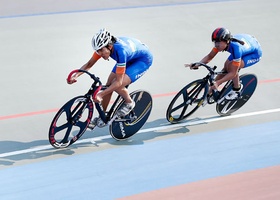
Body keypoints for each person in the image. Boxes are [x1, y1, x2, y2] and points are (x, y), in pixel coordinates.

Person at [67, 28, 153, 127]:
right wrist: (76, 75)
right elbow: (89, 64)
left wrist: (101, 94)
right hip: (130, 57)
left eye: (101, 51)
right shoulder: (103, 47)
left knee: (115, 84)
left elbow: (118, 82)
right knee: (108, 85)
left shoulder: (121, 52)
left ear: (110, 46)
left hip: (142, 60)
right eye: (97, 51)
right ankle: (103, 116)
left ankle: (129, 102)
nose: (100, 54)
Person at [185, 27, 262, 100]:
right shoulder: (222, 44)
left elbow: (233, 73)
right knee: (226, 66)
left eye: (218, 43)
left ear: (227, 41)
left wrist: (218, 82)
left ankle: (237, 89)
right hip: (247, 43)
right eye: (215, 42)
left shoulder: (236, 49)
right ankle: (210, 93)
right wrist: (198, 64)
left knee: (232, 67)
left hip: (254, 54)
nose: (216, 45)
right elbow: (209, 56)